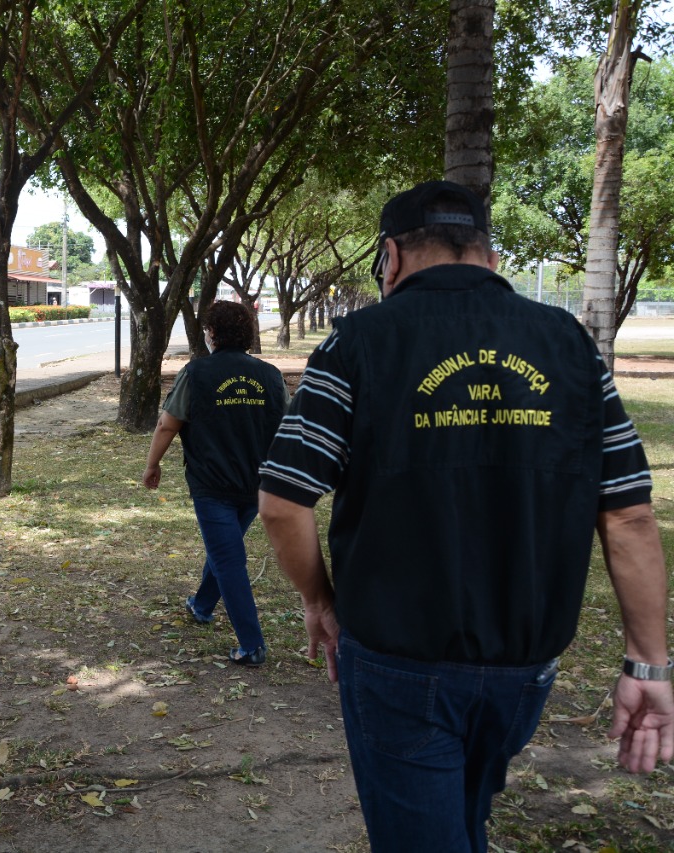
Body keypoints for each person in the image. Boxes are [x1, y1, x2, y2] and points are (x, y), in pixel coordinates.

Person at [257, 181, 673, 852]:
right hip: (525, 670)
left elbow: (282, 500)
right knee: (464, 816)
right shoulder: (569, 345)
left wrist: (319, 599)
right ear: (490, 254)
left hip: (398, 664)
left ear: (389, 258)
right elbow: (628, 517)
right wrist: (649, 664)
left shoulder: (358, 343)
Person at [143, 300, 288, 666]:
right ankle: (202, 605)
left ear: (211, 333)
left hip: (212, 487)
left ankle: (252, 645)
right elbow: (289, 428)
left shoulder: (197, 373)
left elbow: (167, 424)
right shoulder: (271, 376)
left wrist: (152, 464)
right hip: (257, 485)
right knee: (226, 549)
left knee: (228, 557)